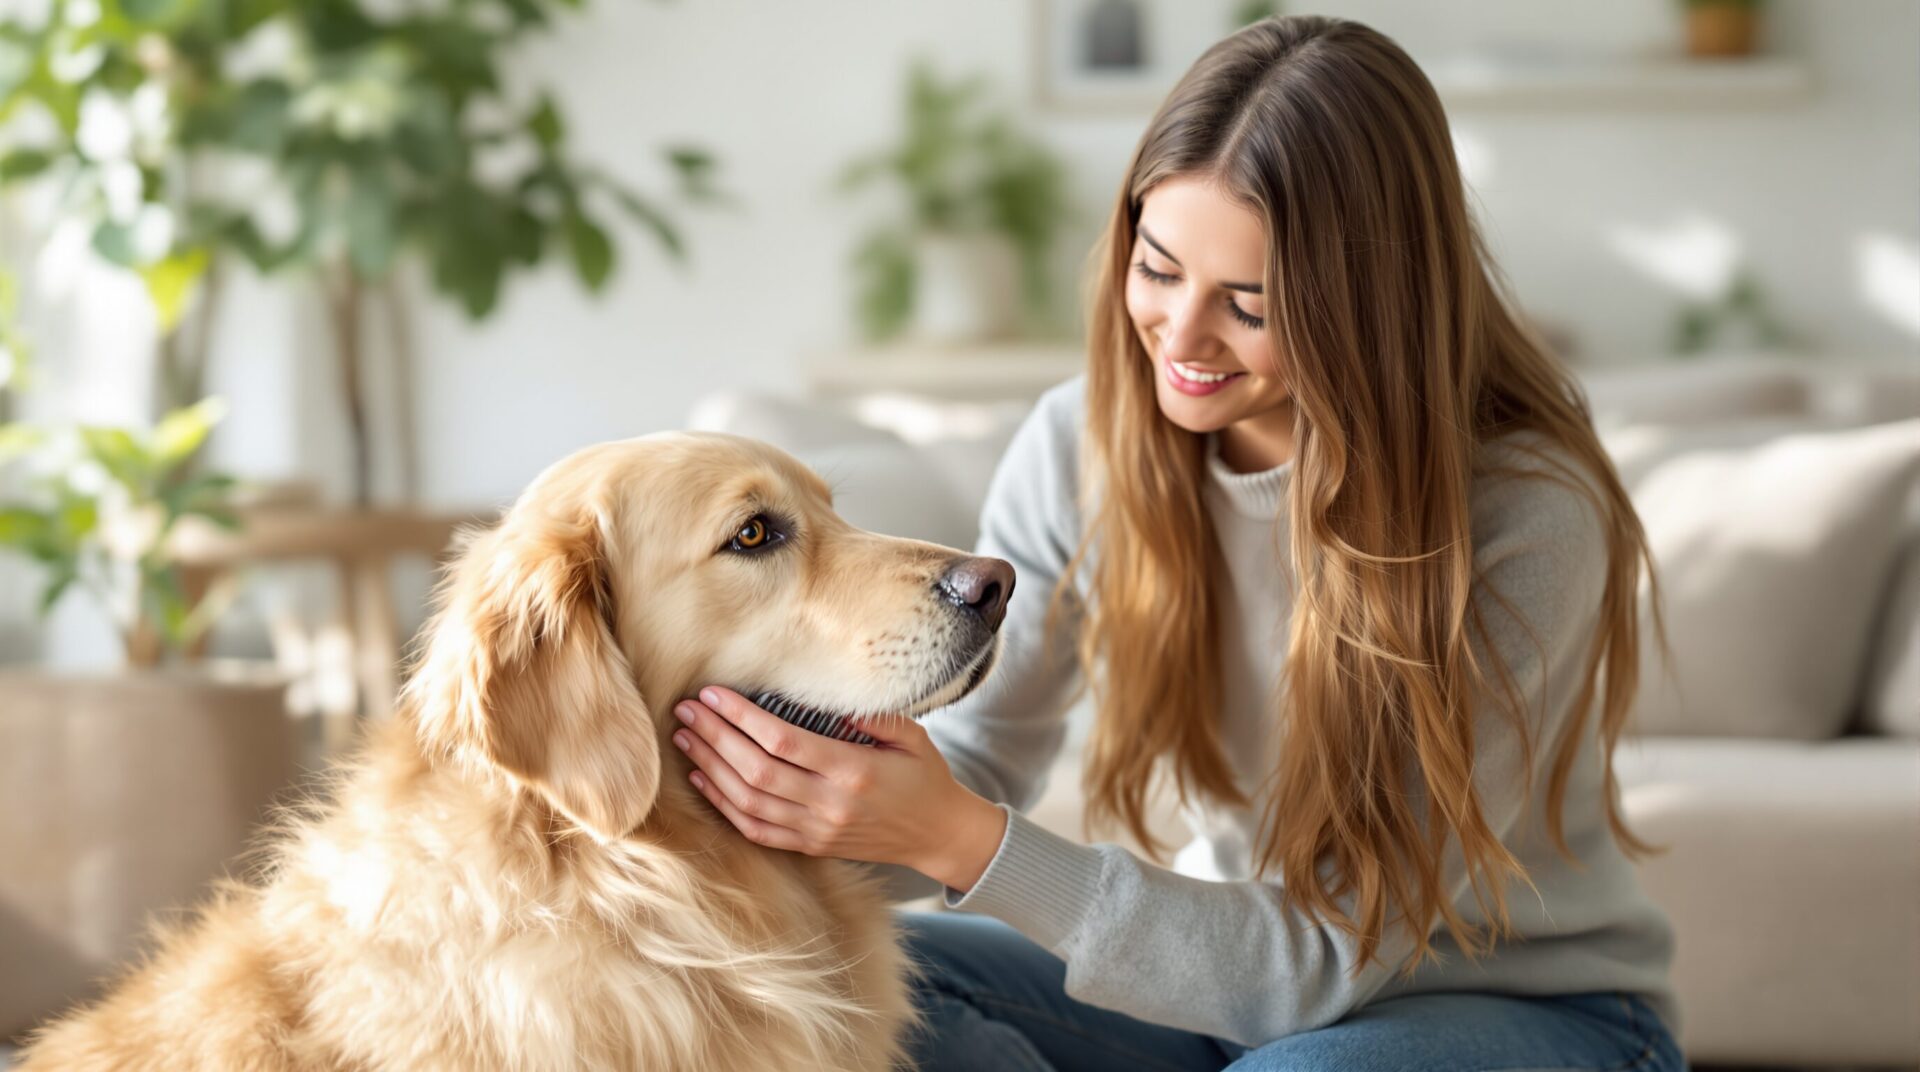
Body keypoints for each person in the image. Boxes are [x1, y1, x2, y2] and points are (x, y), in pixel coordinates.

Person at [668, 14, 1688, 1071]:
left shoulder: (1527, 515)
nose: (1181, 338)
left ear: (1370, 308)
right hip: (1223, 1000)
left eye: (1248, 304)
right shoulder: (1081, 441)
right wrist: (760, 812)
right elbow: (977, 752)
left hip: (1532, 1013)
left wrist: (958, 837)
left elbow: (1323, 961)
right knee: (845, 984)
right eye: (1156, 269)